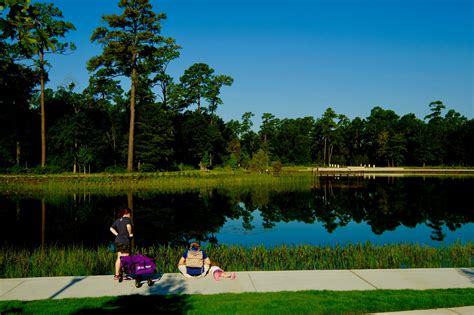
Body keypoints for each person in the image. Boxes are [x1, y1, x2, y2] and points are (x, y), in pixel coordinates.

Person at [110, 207, 133, 280]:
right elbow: (128, 226)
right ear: (127, 213)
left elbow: (111, 228)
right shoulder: (127, 220)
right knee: (126, 257)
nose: (130, 215)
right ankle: (124, 275)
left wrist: (117, 234)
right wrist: (130, 234)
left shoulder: (118, 220)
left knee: (119, 257)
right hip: (124, 240)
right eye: (130, 214)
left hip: (118, 240)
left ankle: (116, 275)